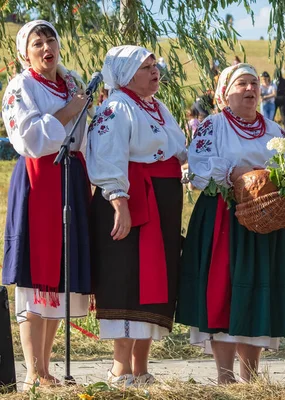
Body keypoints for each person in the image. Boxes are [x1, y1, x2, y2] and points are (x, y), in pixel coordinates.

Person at [176, 63, 285, 385]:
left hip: (265, 218)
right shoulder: (213, 126)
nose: (250, 89)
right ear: (224, 94)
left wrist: (283, 185)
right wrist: (232, 174)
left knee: (257, 291)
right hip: (223, 217)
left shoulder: (274, 130)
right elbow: (198, 170)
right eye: (242, 84)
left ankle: (252, 376)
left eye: (254, 84)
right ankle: (225, 376)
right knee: (224, 290)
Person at [87, 45, 187, 386]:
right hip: (131, 200)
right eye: (145, 67)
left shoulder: (157, 107)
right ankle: (120, 367)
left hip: (161, 203)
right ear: (126, 74)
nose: (154, 71)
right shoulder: (115, 108)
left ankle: (141, 367)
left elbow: (177, 150)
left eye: (154, 65)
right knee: (126, 278)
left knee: (154, 282)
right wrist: (119, 202)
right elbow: (107, 157)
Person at [2, 20, 92, 389]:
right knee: (33, 278)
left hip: (70, 177)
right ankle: (32, 371)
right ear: (26, 53)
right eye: (36, 43)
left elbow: (85, 131)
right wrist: (69, 111)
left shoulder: (72, 82)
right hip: (39, 179)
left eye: (50, 39)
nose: (45, 47)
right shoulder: (20, 86)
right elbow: (30, 138)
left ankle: (45, 365)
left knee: (60, 276)